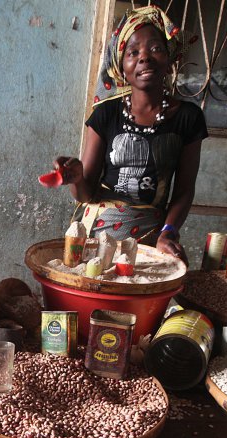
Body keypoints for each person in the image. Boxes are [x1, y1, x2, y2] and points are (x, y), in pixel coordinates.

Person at [54, 6, 206, 265]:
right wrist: (77, 179)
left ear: (169, 60)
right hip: (95, 234)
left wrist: (168, 233)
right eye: (133, 52)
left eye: (155, 49)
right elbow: (85, 194)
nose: (144, 58)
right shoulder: (105, 113)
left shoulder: (188, 118)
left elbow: (183, 191)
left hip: (150, 236)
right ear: (121, 67)